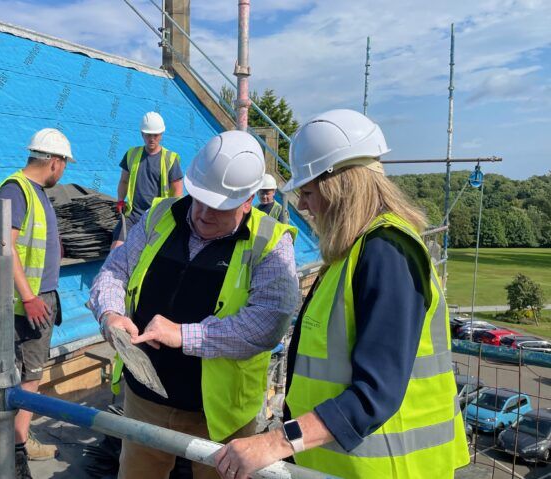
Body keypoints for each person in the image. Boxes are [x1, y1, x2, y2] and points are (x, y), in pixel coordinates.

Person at [215, 110, 470, 479]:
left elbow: (374, 396)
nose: (303, 206)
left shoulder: (387, 253)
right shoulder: (353, 252)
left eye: (307, 192)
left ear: (339, 186)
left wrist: (274, 443)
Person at [89, 130, 299, 479]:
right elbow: (115, 270)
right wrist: (110, 313)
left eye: (219, 207)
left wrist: (185, 335)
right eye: (199, 198)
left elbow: (267, 323)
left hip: (220, 415)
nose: (202, 213)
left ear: (248, 200)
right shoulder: (161, 216)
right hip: (146, 400)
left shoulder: (270, 242)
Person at [0, 128, 75, 479]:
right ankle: (16, 448)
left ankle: (20, 437)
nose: (63, 172)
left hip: (37, 295)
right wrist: (31, 297)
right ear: (54, 161)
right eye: (64, 165)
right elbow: (8, 247)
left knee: (31, 373)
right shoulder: (16, 190)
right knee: (29, 376)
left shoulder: (32, 192)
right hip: (28, 300)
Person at [112, 111, 184, 249]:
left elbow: (177, 191)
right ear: (142, 134)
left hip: (158, 217)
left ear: (161, 135)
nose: (152, 138)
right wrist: (121, 200)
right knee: (116, 250)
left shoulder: (170, 159)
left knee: (149, 256)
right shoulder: (131, 154)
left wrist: (172, 216)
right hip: (132, 215)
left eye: (155, 135)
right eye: (148, 135)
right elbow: (124, 181)